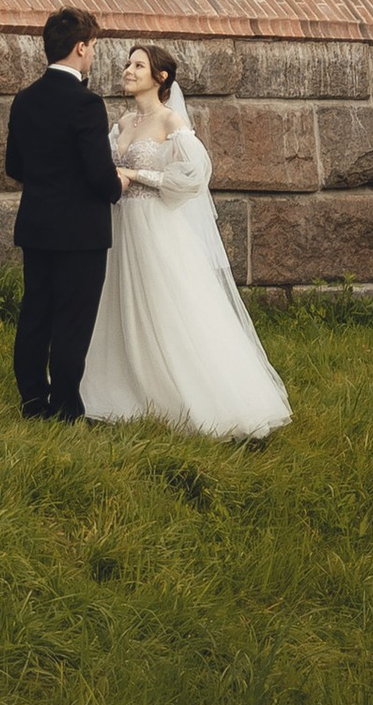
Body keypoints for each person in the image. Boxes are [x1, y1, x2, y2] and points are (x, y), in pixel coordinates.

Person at [81, 43, 291, 440]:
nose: (128, 70)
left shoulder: (170, 122)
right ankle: (123, 389)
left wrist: (138, 177)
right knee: (118, 304)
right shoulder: (122, 123)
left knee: (166, 306)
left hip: (154, 226)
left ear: (160, 78)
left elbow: (193, 177)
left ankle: (203, 398)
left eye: (138, 65)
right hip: (120, 227)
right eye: (128, 64)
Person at [3, 7, 124, 421]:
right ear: (80, 47)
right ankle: (67, 407)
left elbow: (14, 166)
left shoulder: (25, 99)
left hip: (37, 225)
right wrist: (118, 184)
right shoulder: (86, 103)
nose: (92, 55)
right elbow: (99, 174)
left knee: (36, 311)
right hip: (80, 233)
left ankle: (33, 401)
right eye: (91, 47)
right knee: (73, 320)